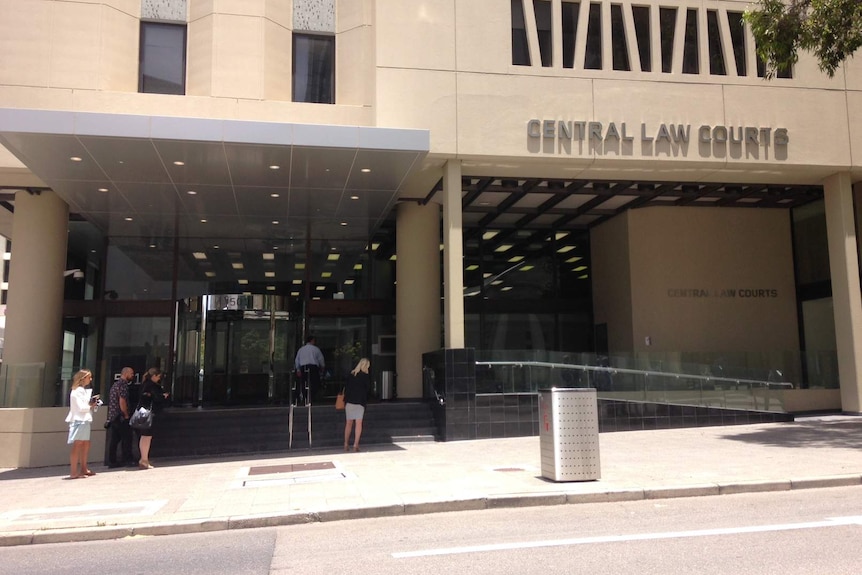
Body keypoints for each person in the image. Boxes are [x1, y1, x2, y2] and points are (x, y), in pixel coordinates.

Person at [65, 369, 98, 479]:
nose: (90, 379)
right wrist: (90, 406)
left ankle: (84, 468)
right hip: (79, 420)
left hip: (84, 419)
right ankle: (74, 472)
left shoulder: (82, 391)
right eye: (89, 377)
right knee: (78, 444)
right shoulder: (77, 391)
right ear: (83, 378)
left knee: (85, 443)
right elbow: (81, 407)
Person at [137, 367, 170, 469]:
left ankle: (143, 459)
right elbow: (156, 398)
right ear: (154, 376)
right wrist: (163, 396)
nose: (159, 379)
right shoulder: (151, 386)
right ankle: (144, 459)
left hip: (144, 413)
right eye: (158, 377)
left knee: (145, 436)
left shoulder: (145, 385)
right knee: (147, 437)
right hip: (150, 413)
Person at [107, 367, 136, 468]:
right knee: (127, 438)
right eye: (131, 373)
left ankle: (112, 460)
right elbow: (122, 401)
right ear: (126, 373)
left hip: (113, 416)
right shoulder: (123, 385)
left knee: (115, 439)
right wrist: (126, 414)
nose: (133, 375)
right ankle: (127, 459)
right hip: (121, 416)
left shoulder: (115, 384)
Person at [343, 358, 371, 452]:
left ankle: (346, 444)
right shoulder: (365, 377)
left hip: (350, 402)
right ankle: (356, 444)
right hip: (360, 402)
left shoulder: (351, 375)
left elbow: (346, 389)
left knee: (348, 423)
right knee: (359, 424)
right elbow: (367, 390)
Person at [294, 335, 325, 405]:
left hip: (303, 367)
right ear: (312, 340)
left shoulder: (301, 349)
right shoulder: (315, 349)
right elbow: (321, 359)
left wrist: (298, 369)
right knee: (315, 383)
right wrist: (322, 367)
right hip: (313, 367)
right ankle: (312, 397)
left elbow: (297, 360)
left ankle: (304, 397)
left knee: (303, 383)